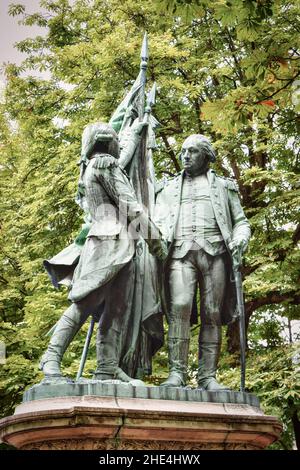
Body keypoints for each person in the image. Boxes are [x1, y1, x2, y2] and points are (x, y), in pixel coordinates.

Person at [40, 122, 167, 382]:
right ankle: (50, 358)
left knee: (116, 310)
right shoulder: (105, 164)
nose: (119, 146)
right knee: (85, 302)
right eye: (116, 141)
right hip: (108, 243)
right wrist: (156, 241)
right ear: (106, 143)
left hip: (118, 246)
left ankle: (107, 368)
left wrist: (136, 131)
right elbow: (130, 205)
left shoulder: (99, 164)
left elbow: (126, 154)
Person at [154, 134, 251, 390]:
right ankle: (177, 373)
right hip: (180, 253)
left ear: (206, 156)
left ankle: (207, 377)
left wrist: (240, 239)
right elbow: (154, 221)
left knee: (212, 312)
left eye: (193, 151)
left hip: (215, 253)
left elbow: (241, 222)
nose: (185, 155)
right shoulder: (167, 188)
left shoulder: (224, 187)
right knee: (180, 307)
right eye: (183, 151)